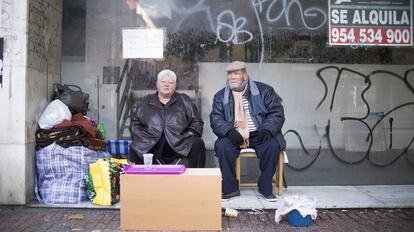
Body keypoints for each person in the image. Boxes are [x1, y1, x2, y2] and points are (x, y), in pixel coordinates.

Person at [210, 61, 286, 201]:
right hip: (235, 135)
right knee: (222, 146)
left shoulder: (265, 91)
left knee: (272, 145)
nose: (232, 77)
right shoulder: (221, 96)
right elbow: (216, 118)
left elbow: (276, 113)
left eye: (236, 73)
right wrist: (228, 131)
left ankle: (265, 186)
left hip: (260, 133)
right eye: (230, 74)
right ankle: (230, 188)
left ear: (244, 75)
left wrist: (267, 129)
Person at [129, 69, 206, 168]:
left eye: (170, 82)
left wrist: (190, 133)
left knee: (197, 144)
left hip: (180, 142)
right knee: (136, 145)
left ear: (174, 86)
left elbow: (197, 121)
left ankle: (196, 180)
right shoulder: (146, 101)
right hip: (152, 143)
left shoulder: (184, 100)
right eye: (163, 82)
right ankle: (141, 181)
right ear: (157, 84)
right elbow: (135, 123)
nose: (166, 85)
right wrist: (139, 135)